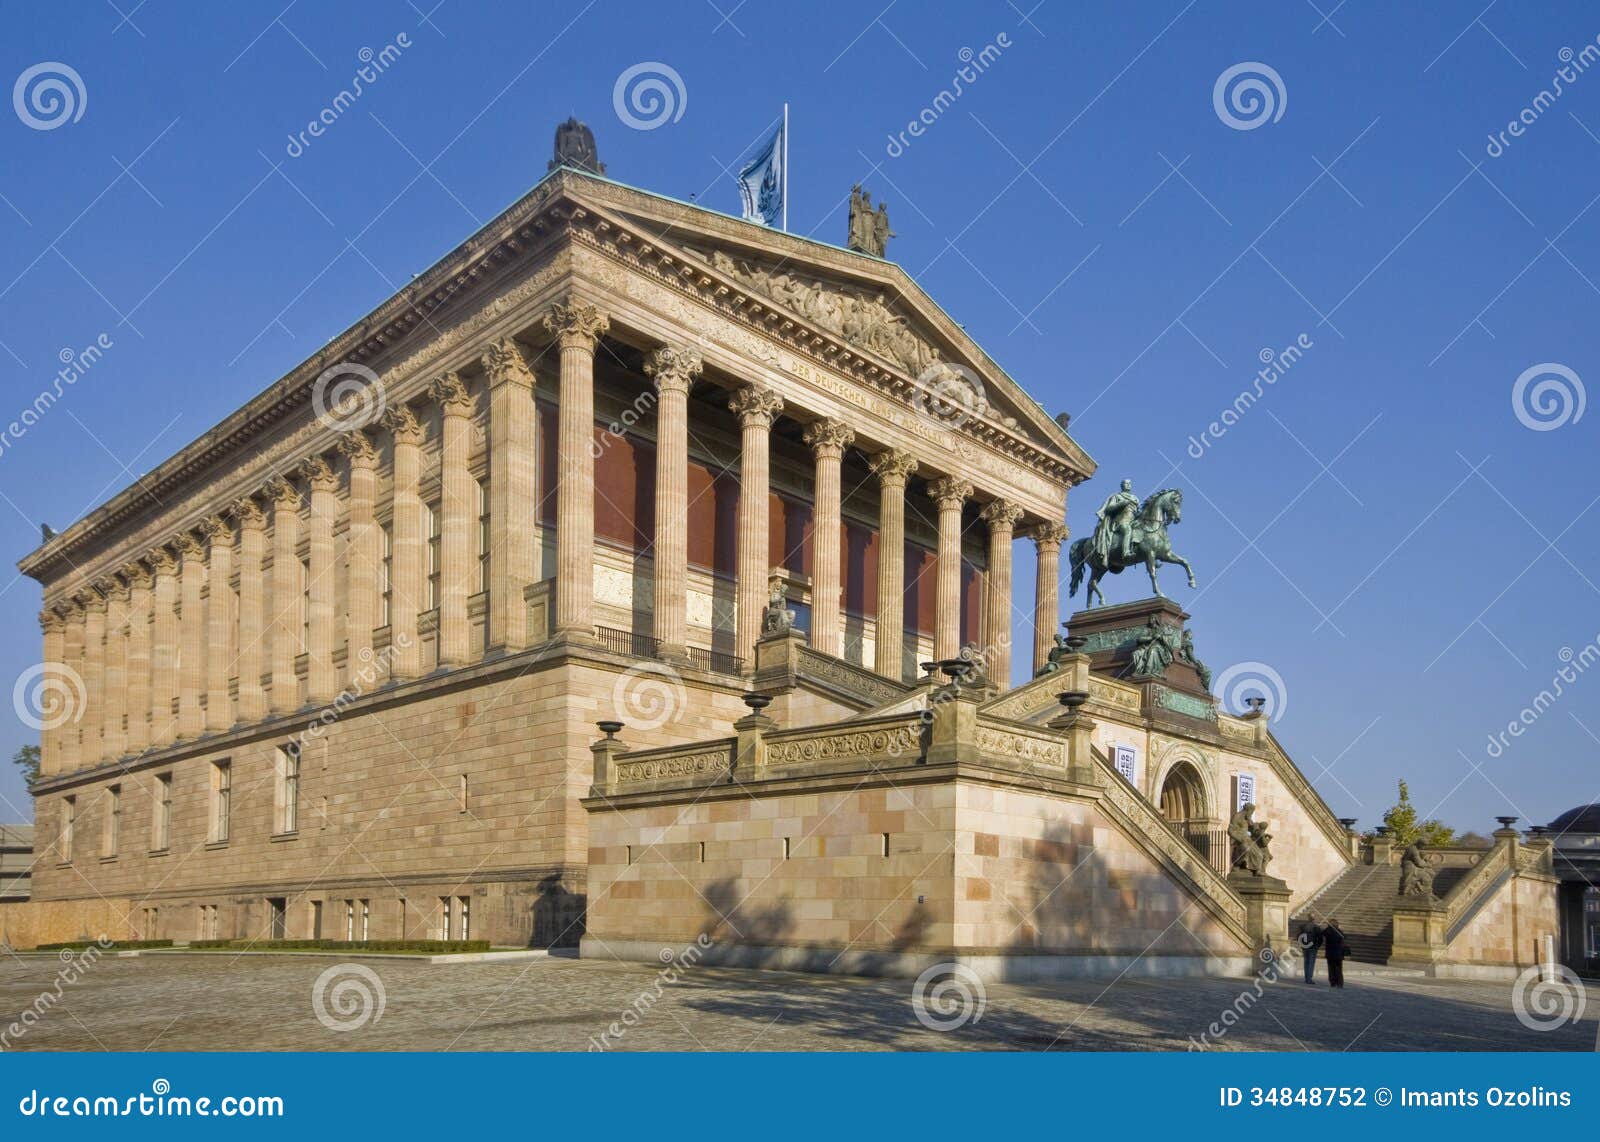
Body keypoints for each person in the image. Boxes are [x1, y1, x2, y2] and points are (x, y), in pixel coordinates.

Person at [1322, 917, 1348, 988]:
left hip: (1330, 954)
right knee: (1339, 969)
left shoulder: (1328, 931)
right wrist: (1340, 929)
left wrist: (1328, 927)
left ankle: (1333, 982)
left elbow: (1323, 933)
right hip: (1339, 954)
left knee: (1331, 969)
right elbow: (1344, 937)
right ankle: (1340, 983)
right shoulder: (1339, 932)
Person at [1300, 918, 1323, 984]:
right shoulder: (1316, 927)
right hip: (1313, 947)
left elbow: (1298, 936)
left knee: (1306, 962)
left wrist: (1302, 945)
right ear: (1314, 919)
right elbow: (1320, 938)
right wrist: (1317, 946)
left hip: (1305, 946)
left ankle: (1306, 977)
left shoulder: (1303, 926)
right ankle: (1309, 978)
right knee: (1311, 963)